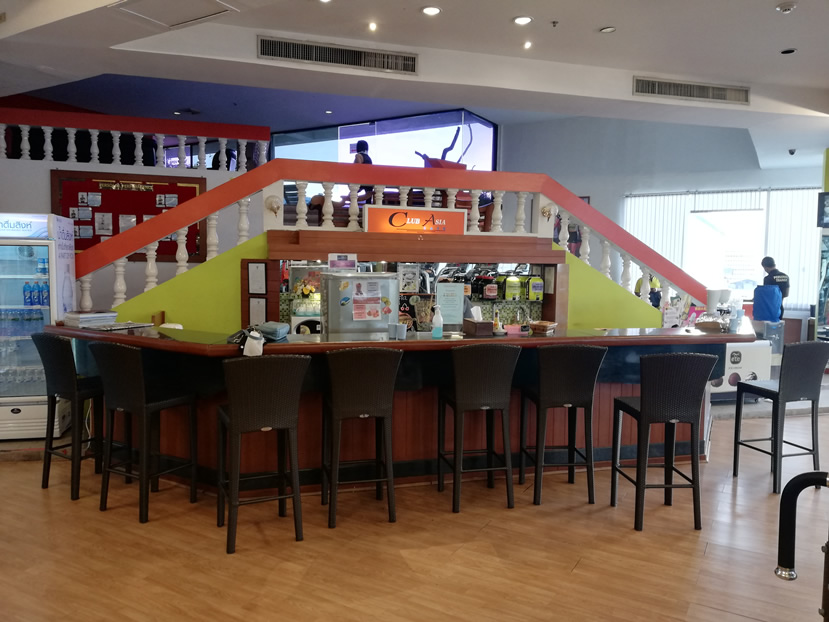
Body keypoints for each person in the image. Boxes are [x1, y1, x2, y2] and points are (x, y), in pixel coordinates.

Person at [310, 140, 374, 210]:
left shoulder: (358, 155)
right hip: (368, 181)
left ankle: (348, 206)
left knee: (352, 194)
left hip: (361, 180)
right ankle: (368, 210)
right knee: (368, 197)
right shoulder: (368, 158)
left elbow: (357, 168)